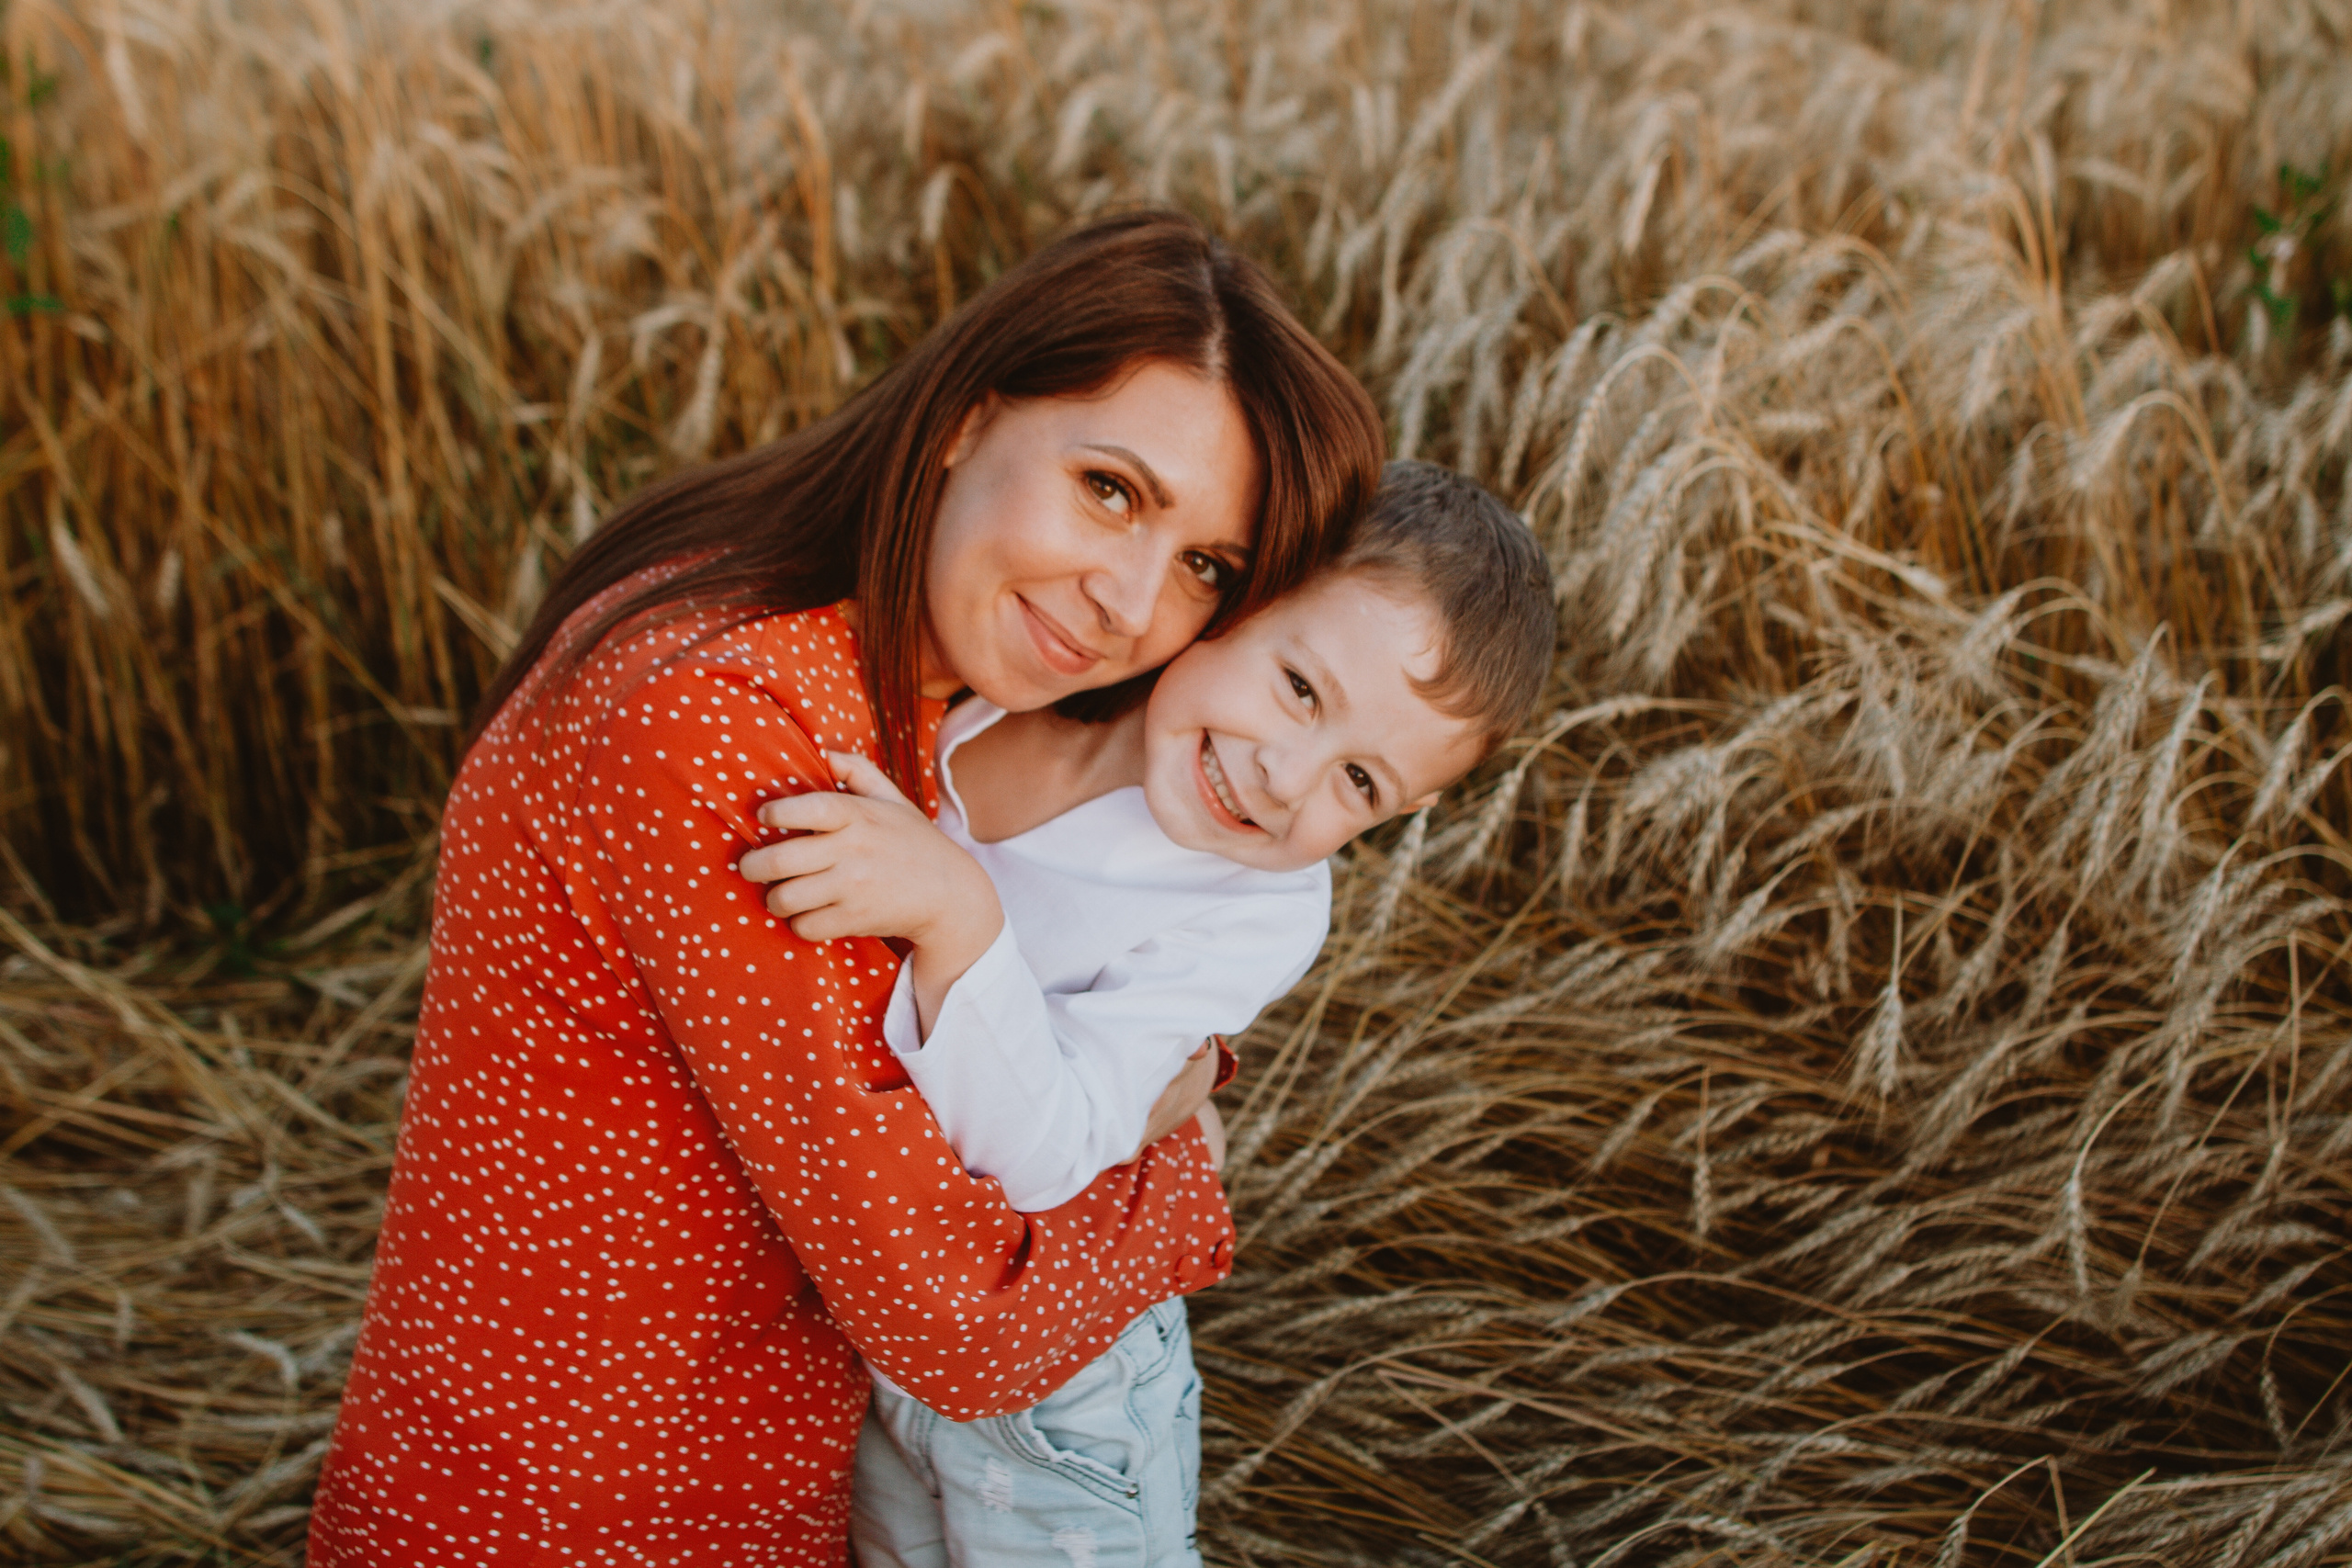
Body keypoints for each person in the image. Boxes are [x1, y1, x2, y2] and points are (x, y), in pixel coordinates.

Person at [305, 209, 1385, 1566]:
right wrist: (1175, 1167)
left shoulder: (856, 668)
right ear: (965, 418)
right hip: (585, 1511)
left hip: (705, 1481)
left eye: (1205, 569)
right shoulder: (733, 729)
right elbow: (963, 1316)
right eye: (1111, 488)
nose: (1126, 601)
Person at [737, 461, 1555, 1567]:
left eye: (1360, 785)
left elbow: (1043, 1157)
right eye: (1301, 690)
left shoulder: (1253, 907)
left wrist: (958, 917)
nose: (1284, 777)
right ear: (1235, 604)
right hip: (882, 1330)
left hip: (1061, 1390)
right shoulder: (993, 698)